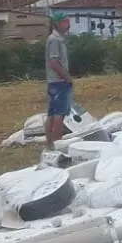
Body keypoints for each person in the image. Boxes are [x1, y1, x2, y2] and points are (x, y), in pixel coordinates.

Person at [42, 13, 74, 167]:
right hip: (59, 82)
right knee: (58, 116)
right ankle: (57, 147)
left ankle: (50, 145)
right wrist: (67, 77)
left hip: (55, 82)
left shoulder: (57, 39)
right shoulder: (54, 40)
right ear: (58, 23)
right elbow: (54, 62)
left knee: (52, 113)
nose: (68, 25)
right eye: (66, 22)